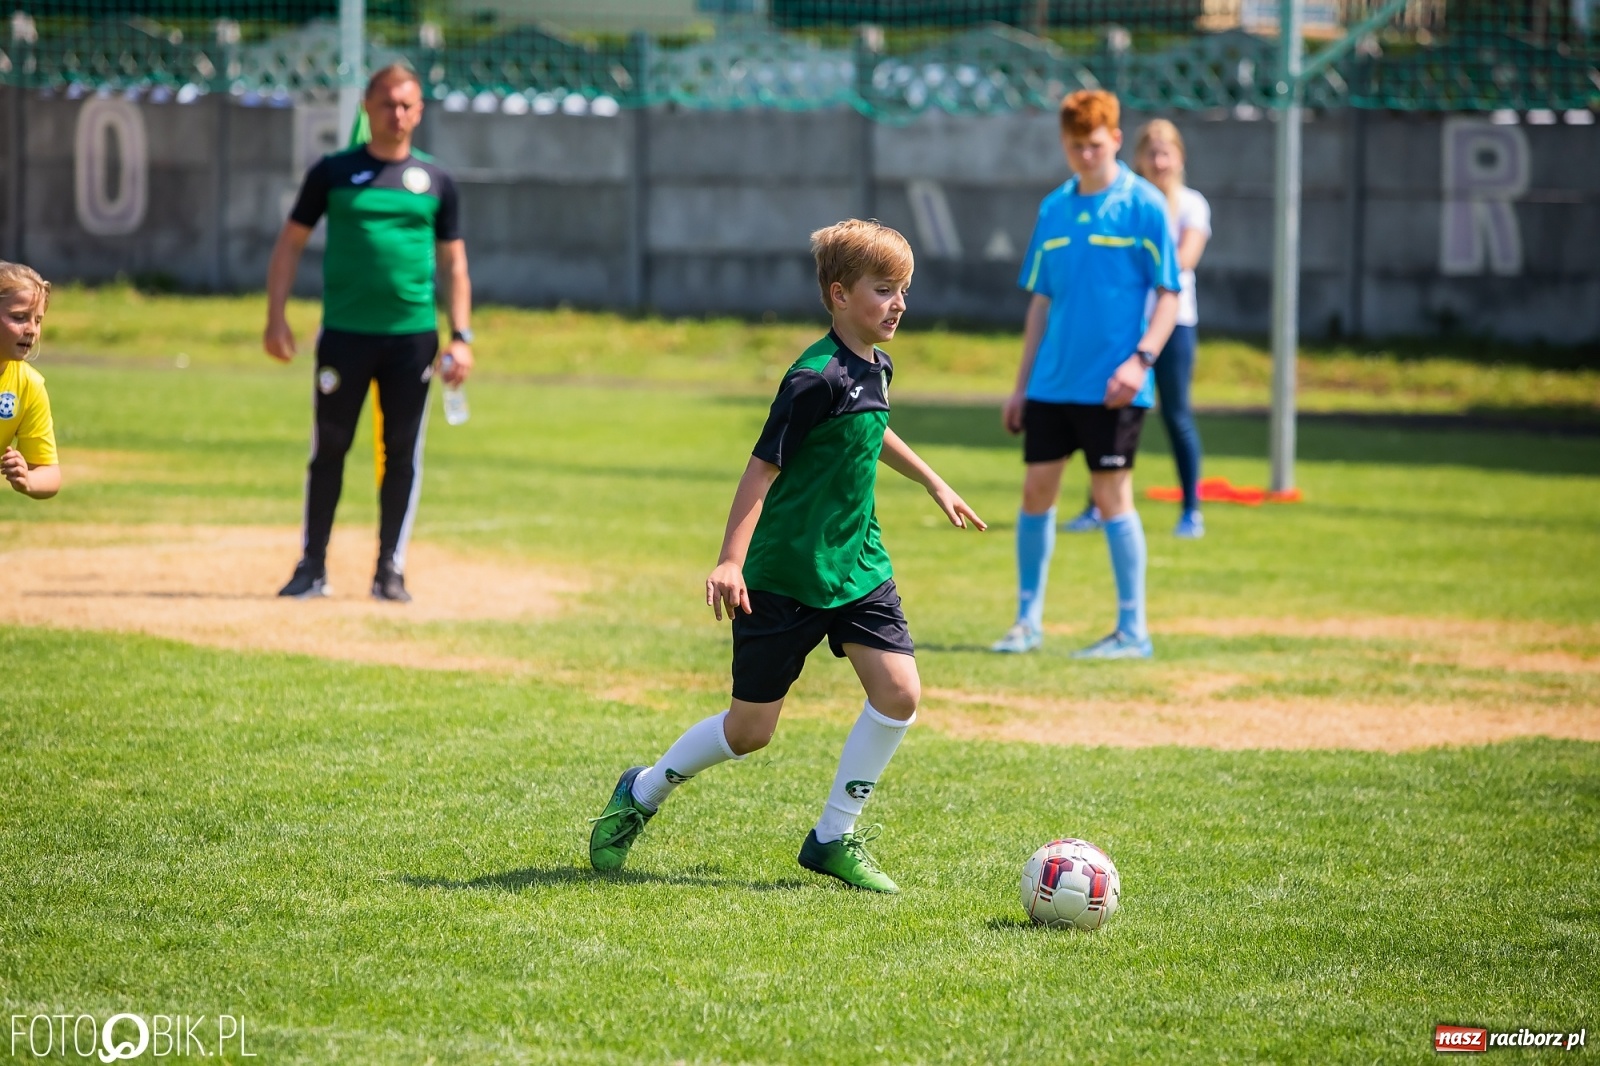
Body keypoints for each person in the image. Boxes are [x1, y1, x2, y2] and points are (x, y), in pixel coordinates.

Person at [587, 220, 986, 894]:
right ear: (838, 294)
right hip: (783, 576)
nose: (899, 304)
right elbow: (761, 470)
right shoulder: (812, 377)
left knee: (899, 692)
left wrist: (933, 480)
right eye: (884, 290)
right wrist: (729, 561)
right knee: (749, 732)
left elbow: (872, 427)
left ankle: (834, 835)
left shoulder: (875, 366)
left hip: (857, 565)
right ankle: (643, 789)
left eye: (904, 291)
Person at [263, 62, 474, 602]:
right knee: (329, 447)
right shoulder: (333, 172)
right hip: (344, 336)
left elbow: (454, 265)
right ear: (366, 106)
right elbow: (289, 244)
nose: (397, 114)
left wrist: (461, 336)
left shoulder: (437, 181)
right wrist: (276, 316)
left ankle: (389, 571)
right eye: (387, 103)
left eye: (407, 105)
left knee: (401, 451)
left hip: (412, 341)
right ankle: (312, 567)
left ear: (420, 111)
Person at [990, 90, 1180, 658]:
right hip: (1052, 383)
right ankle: (1026, 622)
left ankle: (1133, 630)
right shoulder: (1053, 208)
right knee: (1035, 493)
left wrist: (1141, 358)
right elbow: (1040, 303)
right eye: (1075, 147)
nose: (1085, 156)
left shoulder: (1145, 205)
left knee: (1110, 495)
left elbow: (1170, 295)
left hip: (1115, 385)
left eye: (1095, 145)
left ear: (1117, 140)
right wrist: (1020, 385)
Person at [1062, 118, 1212, 539]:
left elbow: (1183, 260)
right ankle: (1098, 506)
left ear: (1179, 157)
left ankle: (1191, 511)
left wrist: (1137, 266)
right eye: (1152, 152)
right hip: (1126, 326)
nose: (1159, 160)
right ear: (1138, 157)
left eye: (1166, 152)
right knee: (1107, 414)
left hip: (1174, 325)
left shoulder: (1191, 204)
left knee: (1177, 415)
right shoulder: (1129, 204)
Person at [0, 261, 61, 501]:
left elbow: (49, 471)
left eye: (37, 320)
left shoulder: (28, 385)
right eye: (19, 317)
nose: (32, 330)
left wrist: (27, 479)